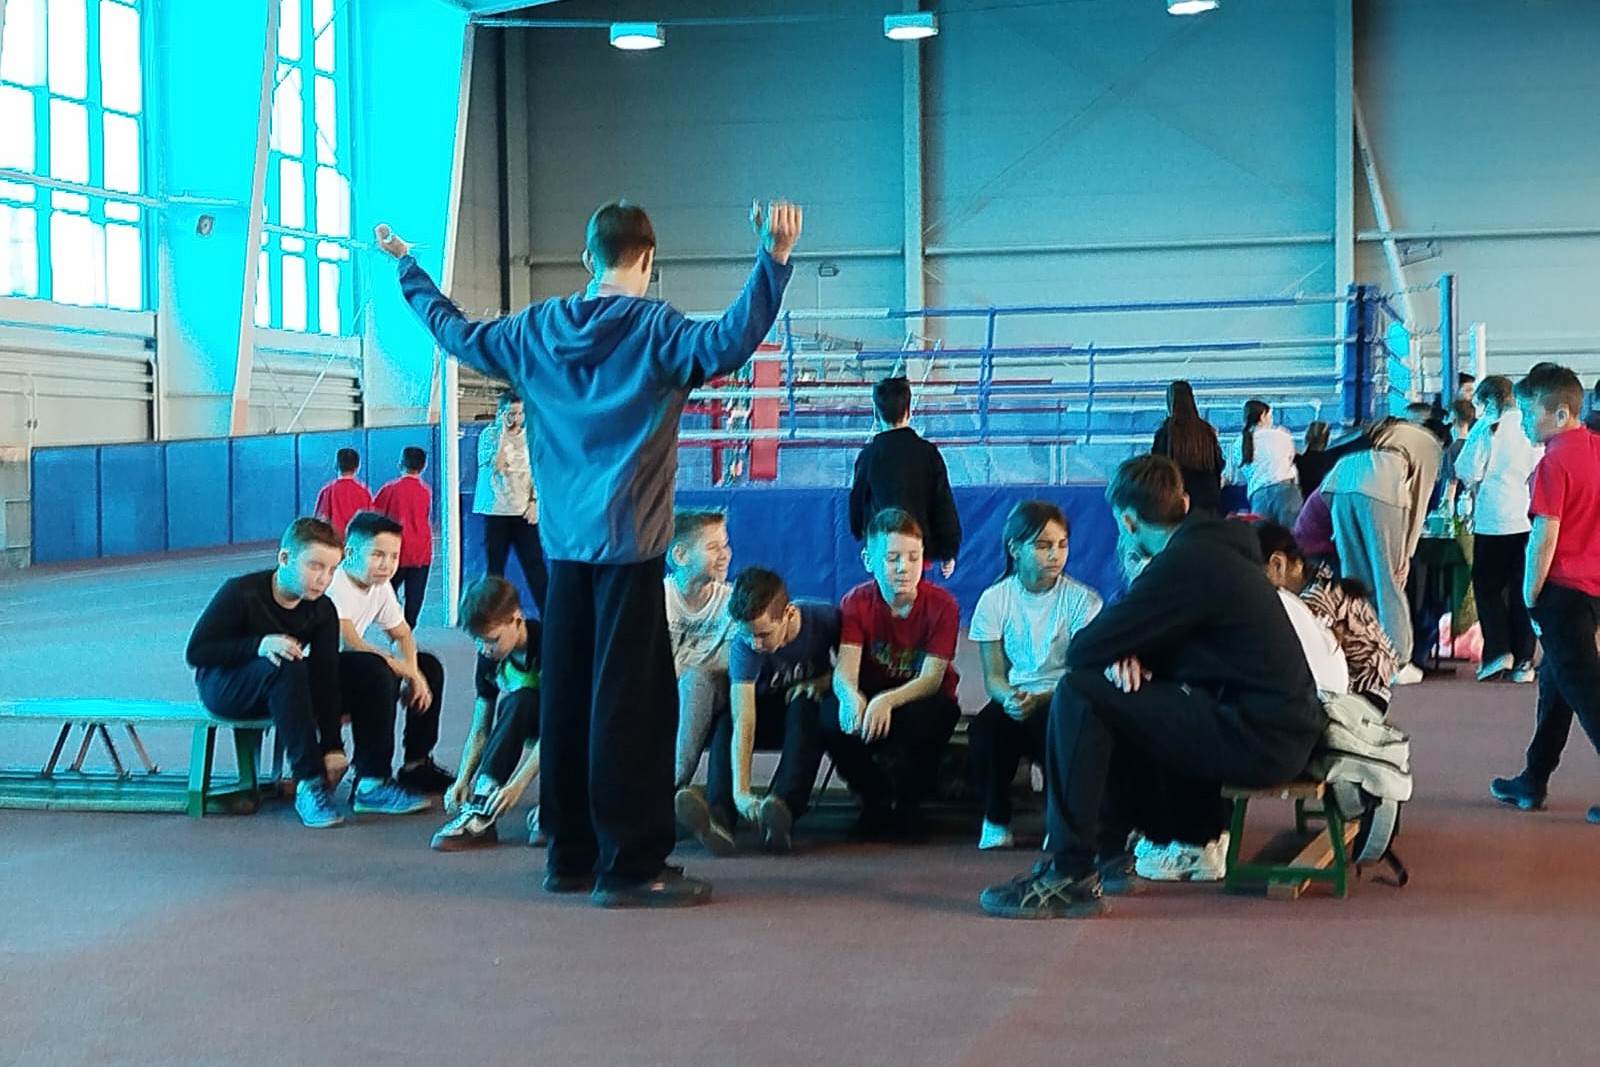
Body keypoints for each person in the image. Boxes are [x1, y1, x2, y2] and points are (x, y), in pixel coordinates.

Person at [378, 198, 801, 907]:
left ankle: (569, 854)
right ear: (649, 259)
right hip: (631, 553)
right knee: (633, 710)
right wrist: (773, 258)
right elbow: (731, 340)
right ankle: (630, 865)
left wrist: (409, 268)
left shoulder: (537, 329)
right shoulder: (659, 330)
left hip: (565, 553)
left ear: (586, 259)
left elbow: (455, 332)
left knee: (567, 701)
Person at [978, 456, 1325, 919]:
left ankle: (1070, 872)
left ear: (1127, 521)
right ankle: (1109, 855)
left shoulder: (1185, 563)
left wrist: (1125, 649)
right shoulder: (1217, 547)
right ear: (1184, 502)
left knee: (1080, 692)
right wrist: (1133, 653)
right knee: (1113, 699)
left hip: (1259, 739)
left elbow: (1084, 650)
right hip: (1275, 727)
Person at [1489, 364, 1600, 822]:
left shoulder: (1553, 463)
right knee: (1556, 686)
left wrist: (1530, 597)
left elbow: (1543, 538)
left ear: (1559, 413)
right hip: (1592, 592)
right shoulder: (1595, 449)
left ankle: (1533, 780)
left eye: (1529, 411)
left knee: (1589, 695)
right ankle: (1533, 779)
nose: (1523, 422)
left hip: (1563, 595)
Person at [185, 518, 348, 828]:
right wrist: (258, 645)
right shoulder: (241, 592)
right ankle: (309, 782)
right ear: (284, 558)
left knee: (367, 668)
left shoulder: (323, 609)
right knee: (284, 661)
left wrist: (332, 745)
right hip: (225, 686)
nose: (323, 579)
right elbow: (197, 652)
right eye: (315, 566)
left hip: (280, 686)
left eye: (331, 570)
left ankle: (374, 781)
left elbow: (326, 675)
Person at [968, 501, 1102, 850]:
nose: (1055, 555)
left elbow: (1082, 674)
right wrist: (1009, 698)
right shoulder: (994, 599)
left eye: (1062, 545)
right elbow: (994, 677)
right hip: (1018, 695)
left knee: (1051, 725)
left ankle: (1060, 821)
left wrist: (1041, 698)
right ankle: (995, 819)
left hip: (1064, 695)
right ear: (1015, 549)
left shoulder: (1083, 601)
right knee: (985, 730)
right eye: (1043, 546)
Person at [824, 507, 962, 842]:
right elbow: (845, 670)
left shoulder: (943, 605)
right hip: (872, 692)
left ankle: (909, 804)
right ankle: (873, 800)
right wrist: (850, 696)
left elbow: (931, 678)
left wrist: (887, 701)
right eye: (892, 558)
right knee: (831, 717)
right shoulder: (856, 603)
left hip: (922, 695)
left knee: (922, 721)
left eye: (913, 558)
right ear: (869, 561)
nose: (904, 568)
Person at [701, 566, 838, 854]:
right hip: (763, 713)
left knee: (804, 706)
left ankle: (782, 810)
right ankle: (720, 817)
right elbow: (744, 719)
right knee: (727, 722)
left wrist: (823, 682)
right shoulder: (744, 646)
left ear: (788, 614)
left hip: (799, 715)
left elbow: (852, 666)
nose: (756, 644)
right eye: (748, 634)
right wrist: (741, 791)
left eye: (763, 634)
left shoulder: (823, 618)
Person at [325, 510, 449, 802]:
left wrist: (415, 674)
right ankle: (371, 780)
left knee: (428, 665)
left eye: (394, 556)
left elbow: (402, 635)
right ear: (350, 553)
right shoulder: (335, 585)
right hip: (318, 681)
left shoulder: (379, 587)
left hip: (351, 673)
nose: (387, 565)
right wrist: (409, 673)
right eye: (377, 555)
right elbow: (351, 643)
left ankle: (416, 764)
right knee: (377, 670)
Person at [1320, 416, 1442, 678]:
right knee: (1389, 581)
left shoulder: (1391, 432)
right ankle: (1398, 661)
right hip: (1382, 484)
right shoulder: (1431, 446)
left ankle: (1359, 655)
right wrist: (1406, 554)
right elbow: (1418, 500)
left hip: (1340, 480)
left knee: (1355, 581)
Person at [431, 577, 544, 852]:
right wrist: (463, 779)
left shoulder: (550, 645)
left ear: (517, 618)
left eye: (492, 640)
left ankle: (565, 805)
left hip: (578, 732)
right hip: (535, 722)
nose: (486, 649)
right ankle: (482, 803)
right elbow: (480, 729)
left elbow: (559, 729)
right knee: (518, 702)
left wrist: (517, 785)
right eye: (479, 641)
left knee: (524, 699)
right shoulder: (490, 659)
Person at [1257, 521, 1397, 711]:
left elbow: (1318, 662)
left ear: (1277, 564)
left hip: (1362, 696)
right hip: (1377, 687)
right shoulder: (1321, 577)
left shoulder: (1314, 601)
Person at [662, 510, 738, 856]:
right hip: (665, 701)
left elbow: (731, 663)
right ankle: (712, 819)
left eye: (725, 545)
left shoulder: (730, 601)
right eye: (713, 547)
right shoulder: (659, 598)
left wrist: (693, 670)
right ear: (680, 555)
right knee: (722, 722)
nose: (725, 554)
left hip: (714, 694)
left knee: (699, 679)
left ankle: (671, 787)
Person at [1456, 375, 1541, 683]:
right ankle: (1524, 660)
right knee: (1522, 589)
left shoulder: (1487, 428)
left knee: (1489, 588)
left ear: (1490, 401)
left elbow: (1466, 470)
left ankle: (1497, 652)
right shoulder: (1531, 424)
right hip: (1527, 517)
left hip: (1493, 519)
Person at [848, 375, 963, 576]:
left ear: (876, 414)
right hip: (917, 551)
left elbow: (857, 503)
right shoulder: (928, 453)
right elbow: (942, 503)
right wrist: (948, 551)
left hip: (884, 548)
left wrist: (862, 534)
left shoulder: (869, 456)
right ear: (909, 411)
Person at [475, 392, 548, 615]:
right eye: (510, 413)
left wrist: (534, 501)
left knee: (535, 564)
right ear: (500, 413)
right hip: (496, 511)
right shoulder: (489, 435)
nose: (516, 419)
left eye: (520, 413)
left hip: (523, 511)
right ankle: (491, 615)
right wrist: (503, 434)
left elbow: (538, 472)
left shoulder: (531, 437)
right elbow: (495, 466)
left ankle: (549, 614)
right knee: (495, 568)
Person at [373, 446, 434, 631]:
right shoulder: (425, 491)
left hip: (396, 549)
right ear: (423, 466)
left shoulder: (389, 489)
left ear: (400, 463)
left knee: (387, 589)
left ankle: (392, 625)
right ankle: (408, 629)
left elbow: (376, 514)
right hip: (421, 549)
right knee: (415, 594)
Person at [1151, 380, 1225, 514]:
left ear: (1170, 403)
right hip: (1208, 497)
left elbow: (1157, 465)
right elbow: (1218, 462)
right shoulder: (1206, 430)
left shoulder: (1166, 432)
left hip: (1177, 498)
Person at [1229, 399, 1301, 527]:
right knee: (1292, 534)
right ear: (1263, 416)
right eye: (1270, 416)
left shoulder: (1238, 444)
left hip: (1258, 494)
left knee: (1263, 536)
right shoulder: (1281, 435)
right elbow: (1290, 458)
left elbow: (1237, 477)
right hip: (1285, 490)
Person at [312, 447, 372, 536]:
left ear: (336, 465)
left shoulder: (327, 491)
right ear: (357, 467)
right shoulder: (364, 492)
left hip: (333, 541)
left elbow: (320, 521)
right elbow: (370, 522)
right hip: (356, 541)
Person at [1295, 420, 1334, 498]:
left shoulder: (1298, 460)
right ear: (1327, 439)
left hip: (1305, 500)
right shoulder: (1331, 460)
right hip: (1323, 500)